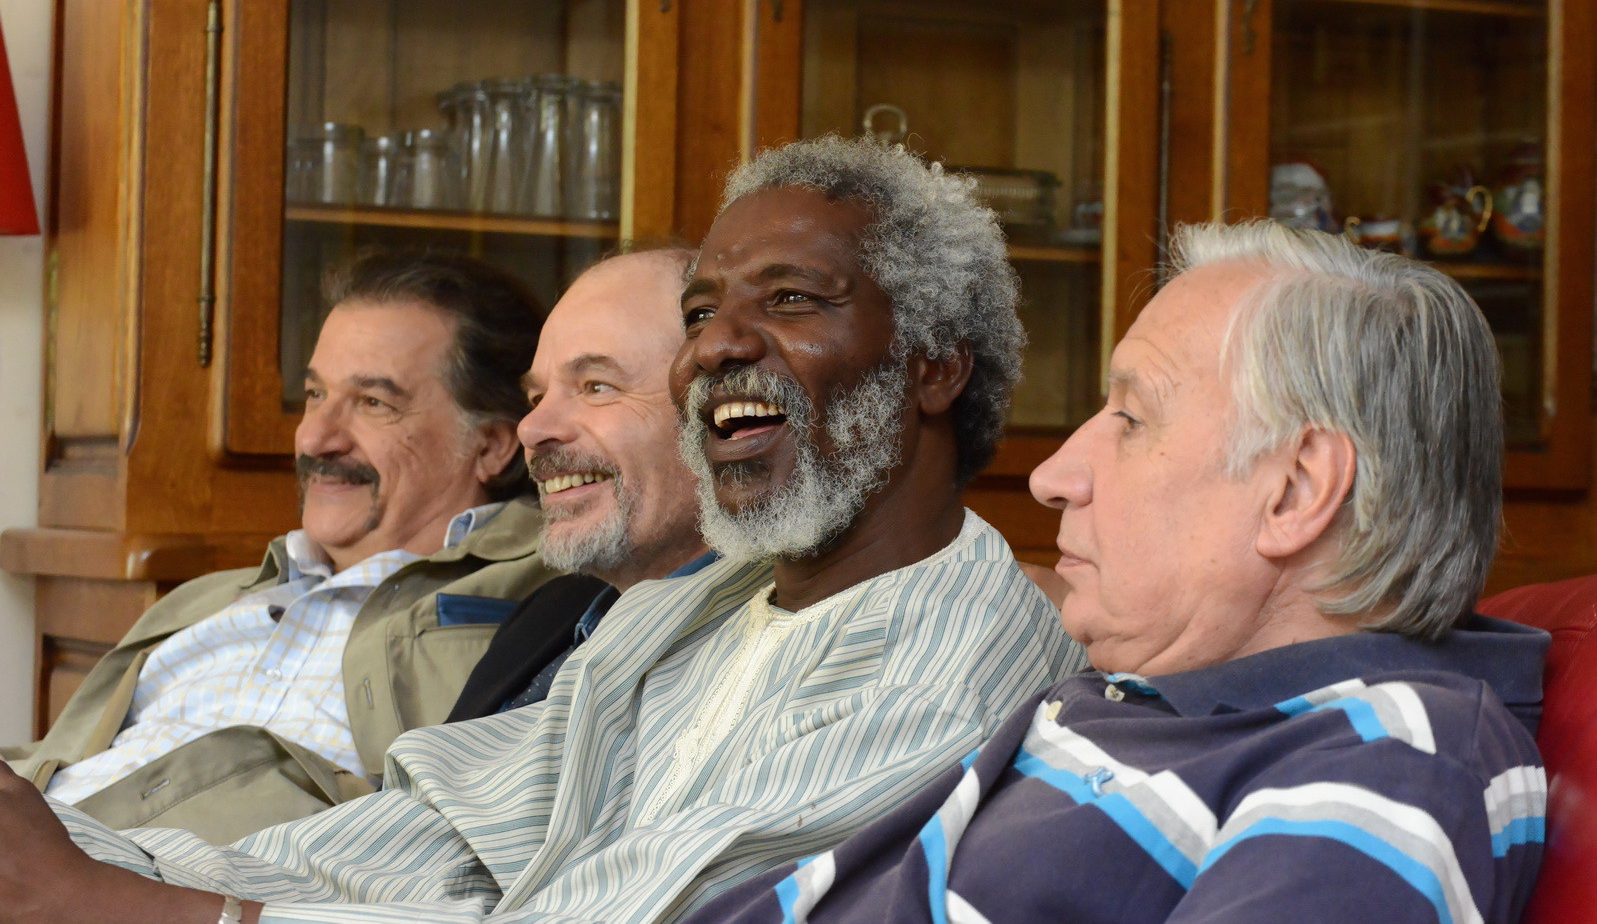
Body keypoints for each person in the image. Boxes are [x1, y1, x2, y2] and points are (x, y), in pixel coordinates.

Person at [0, 136, 1083, 924]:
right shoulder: (690, 611)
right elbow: (432, 840)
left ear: (933, 365)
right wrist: (72, 851)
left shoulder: (951, 657)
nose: (714, 347)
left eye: (790, 298)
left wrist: (156, 912)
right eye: (701, 313)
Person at [681, 220, 1549, 924]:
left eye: (1130, 418)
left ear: (1295, 491)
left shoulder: (1387, 760)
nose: (1056, 477)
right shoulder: (1145, 696)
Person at [1, 251, 554, 843]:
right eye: (315, 395)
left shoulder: (542, 603)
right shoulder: (203, 604)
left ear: (494, 446)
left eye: (373, 403)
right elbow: (51, 770)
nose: (315, 437)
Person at [448, 247, 713, 721]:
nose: (531, 429)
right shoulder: (547, 614)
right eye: (537, 395)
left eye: (596, 386)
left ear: (721, 404)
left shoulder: (778, 641)